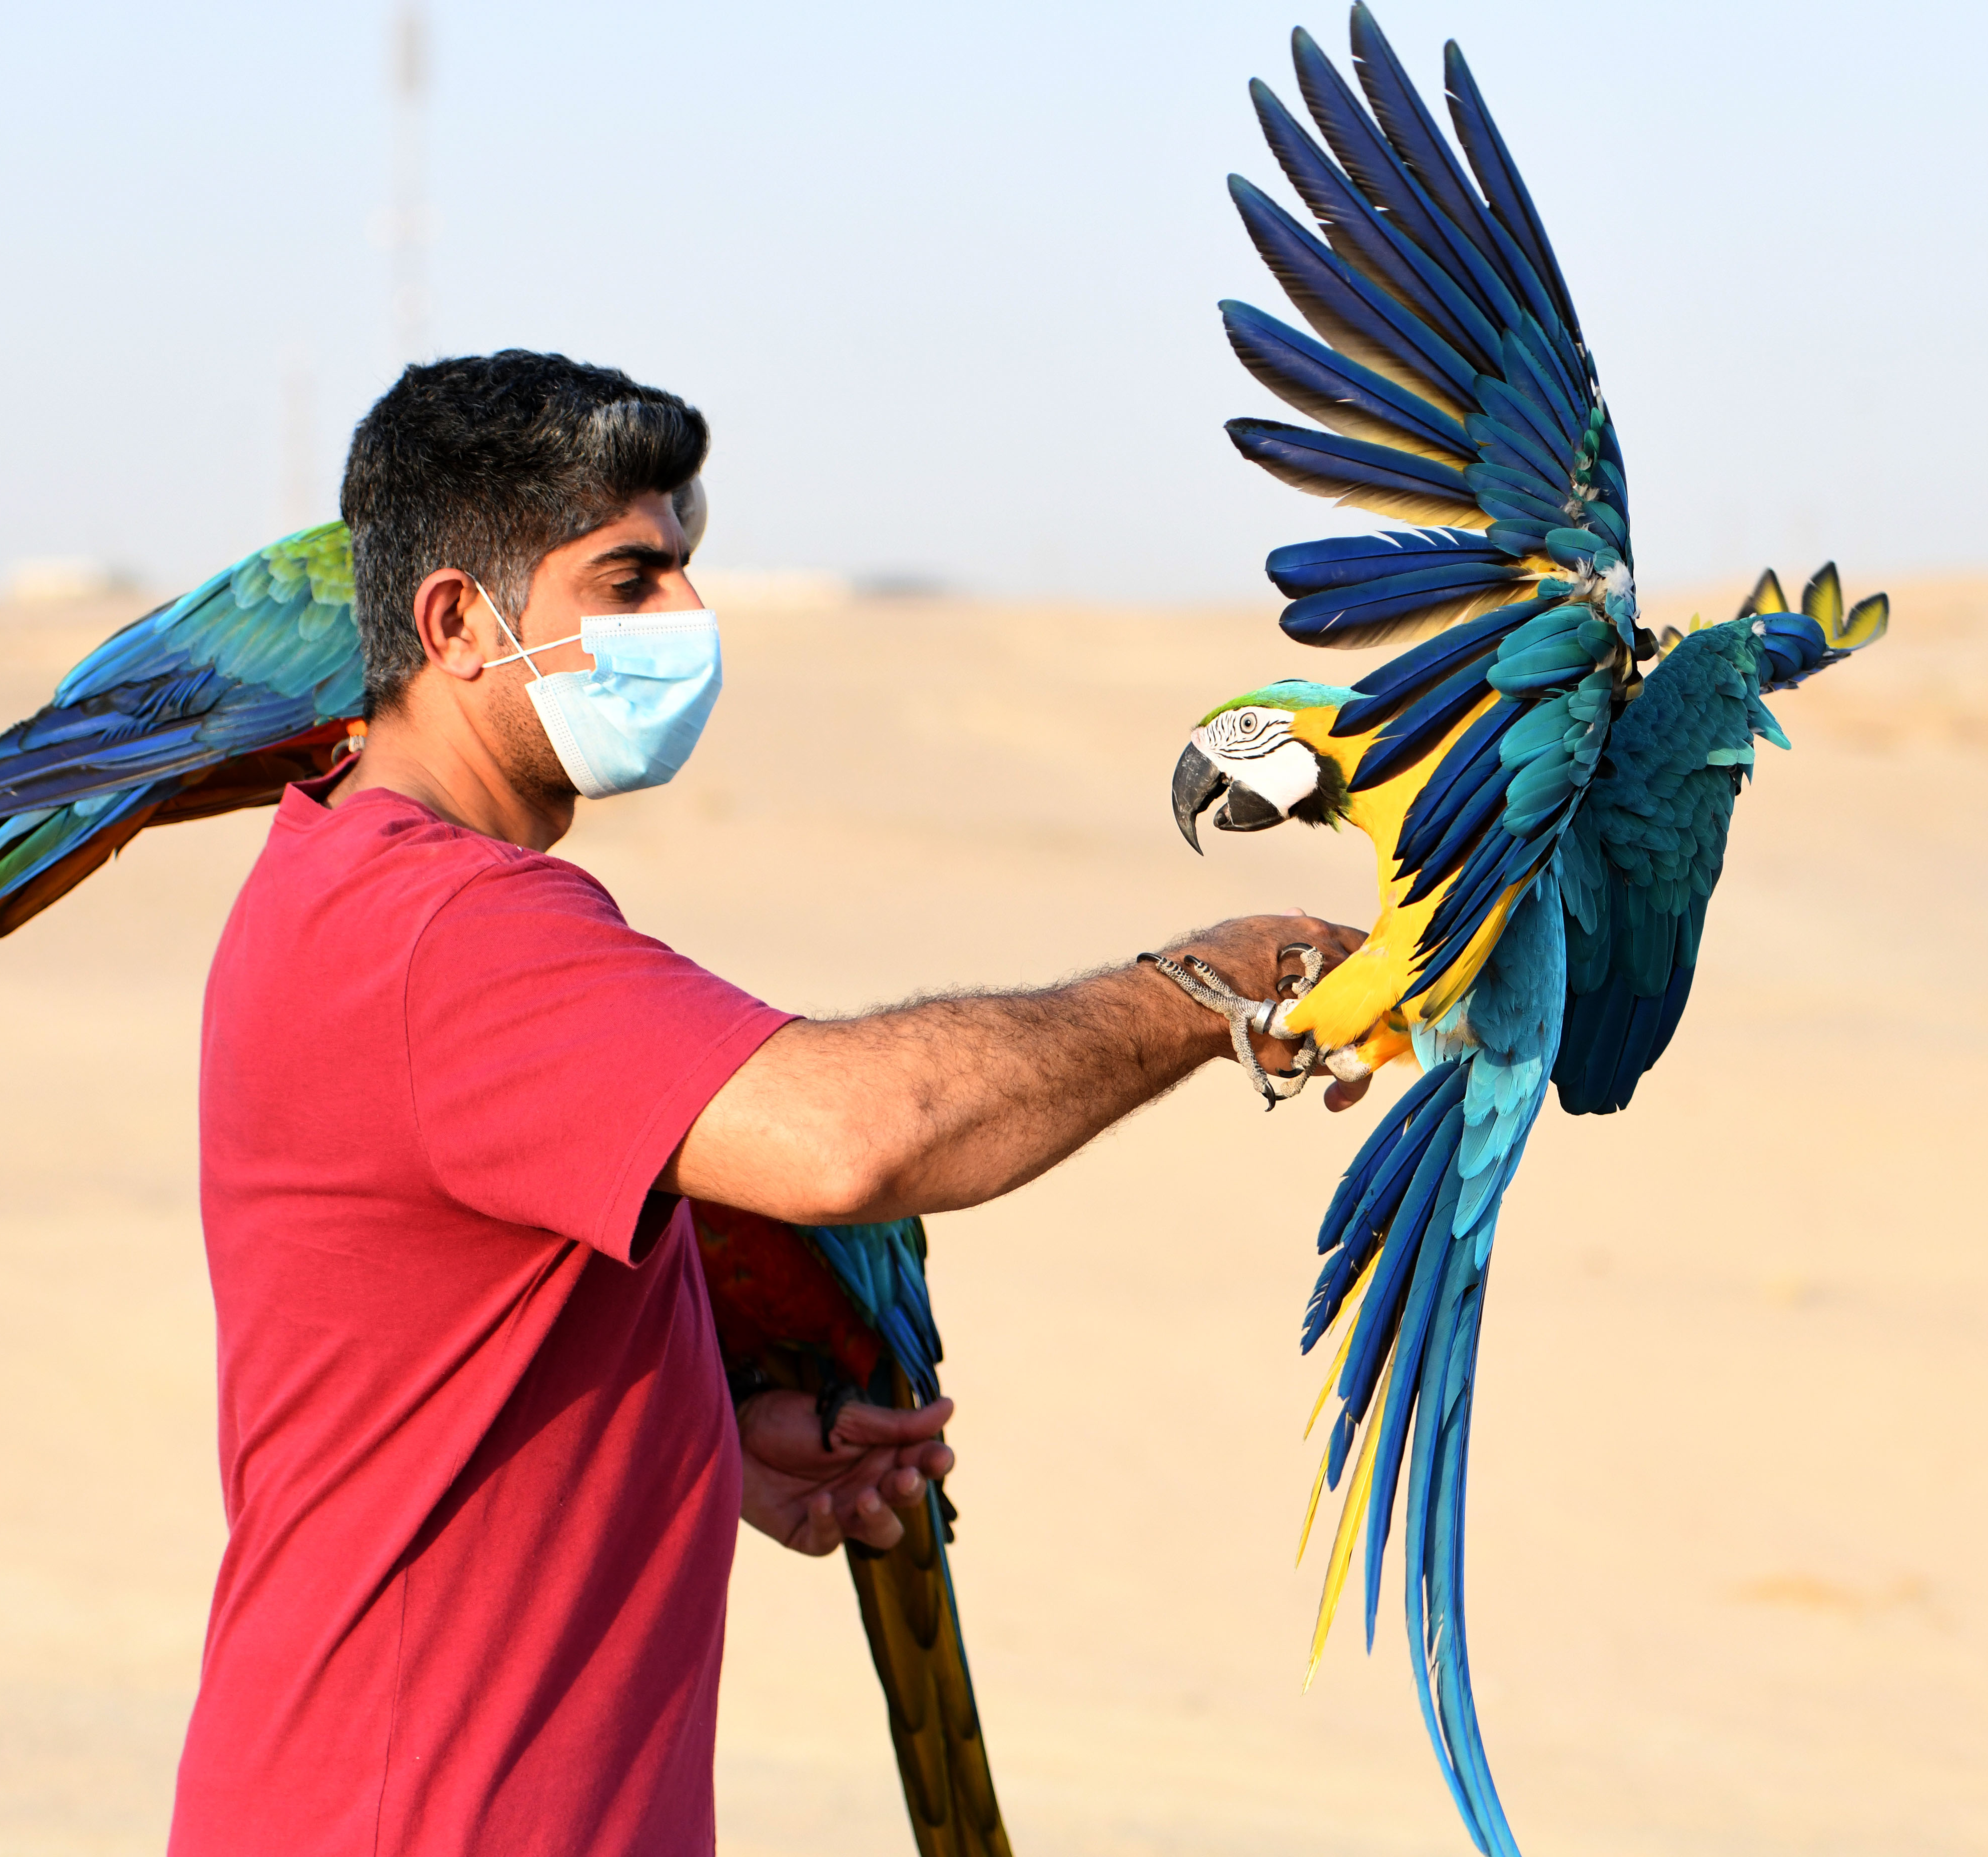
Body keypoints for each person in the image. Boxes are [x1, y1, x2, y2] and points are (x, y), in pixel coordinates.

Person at [172, 350, 1364, 1856]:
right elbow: (860, 1137)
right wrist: (1205, 985)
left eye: (687, 573)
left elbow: (431, 1366)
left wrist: (711, 1448)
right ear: (459, 622)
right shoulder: (444, 934)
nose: (689, 624)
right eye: (630, 581)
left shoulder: (352, 894)